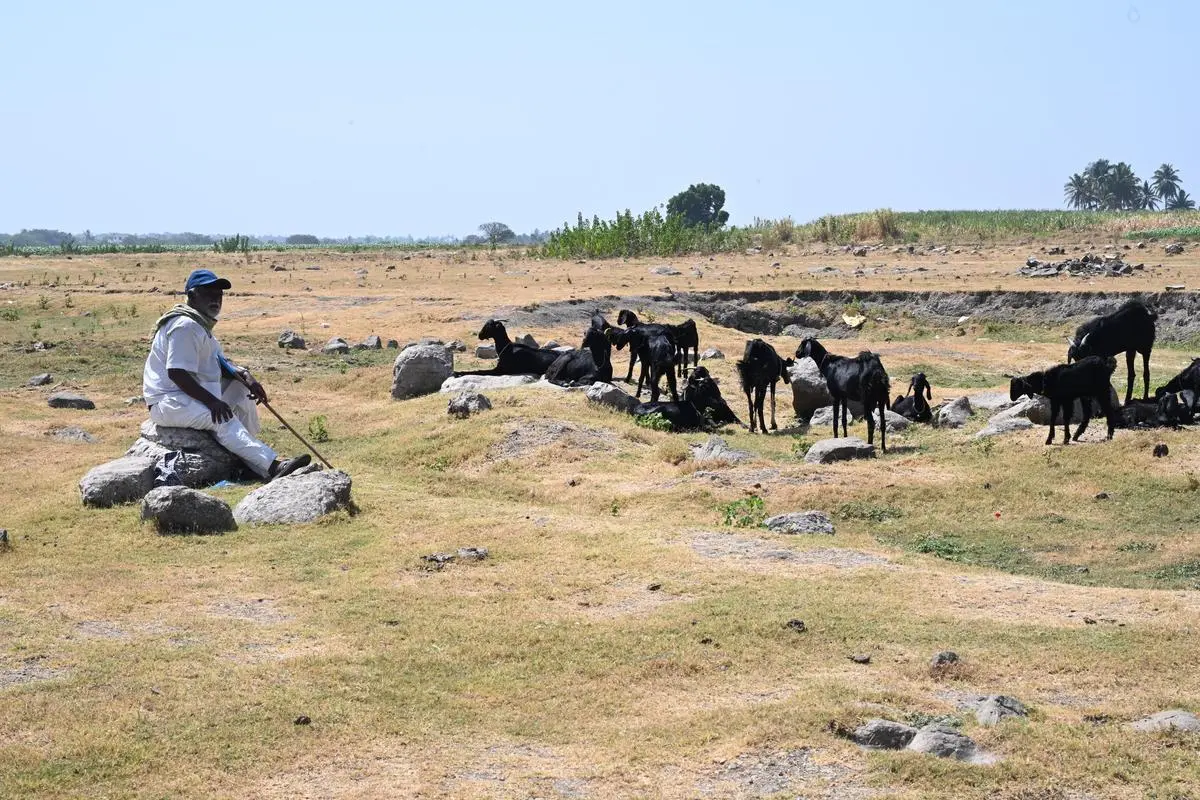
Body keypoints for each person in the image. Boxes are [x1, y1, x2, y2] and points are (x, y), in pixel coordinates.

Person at [143, 269, 310, 481]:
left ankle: (249, 462)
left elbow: (219, 364)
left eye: (219, 294)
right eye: (208, 293)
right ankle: (271, 466)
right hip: (168, 401)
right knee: (222, 418)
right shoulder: (185, 326)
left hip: (187, 395)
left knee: (242, 390)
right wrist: (212, 402)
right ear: (192, 296)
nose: (215, 299)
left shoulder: (200, 324)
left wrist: (246, 377)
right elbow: (177, 373)